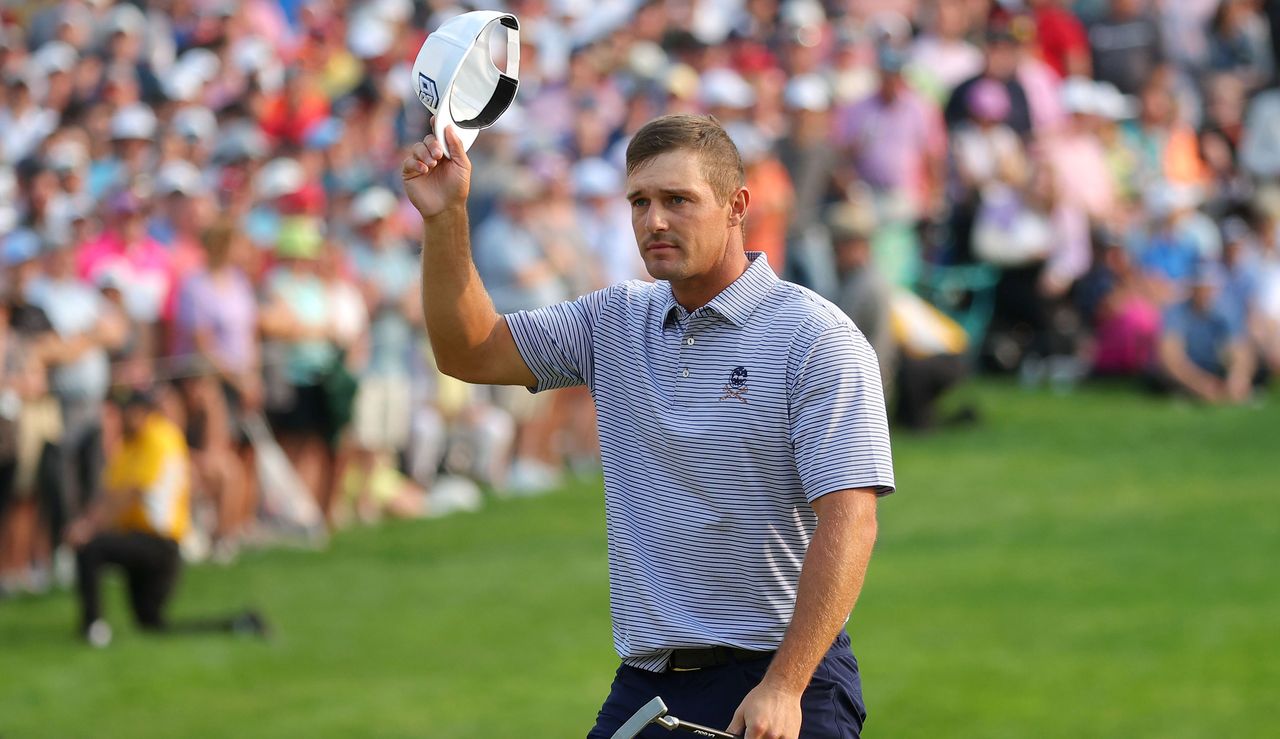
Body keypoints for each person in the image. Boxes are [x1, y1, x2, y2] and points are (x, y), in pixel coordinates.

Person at [403, 115, 893, 738]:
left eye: (678, 200)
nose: (654, 220)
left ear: (737, 205)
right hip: (649, 682)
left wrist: (785, 684)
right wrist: (446, 217)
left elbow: (852, 518)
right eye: (640, 201)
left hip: (782, 680)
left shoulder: (815, 338)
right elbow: (468, 351)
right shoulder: (614, 319)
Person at [65, 388, 267, 646]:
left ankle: (93, 626)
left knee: (92, 549)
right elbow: (109, 493)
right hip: (139, 539)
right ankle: (240, 624)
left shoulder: (159, 437)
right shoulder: (130, 445)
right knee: (150, 624)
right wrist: (86, 524)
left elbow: (131, 492)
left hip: (159, 545)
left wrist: (89, 529)